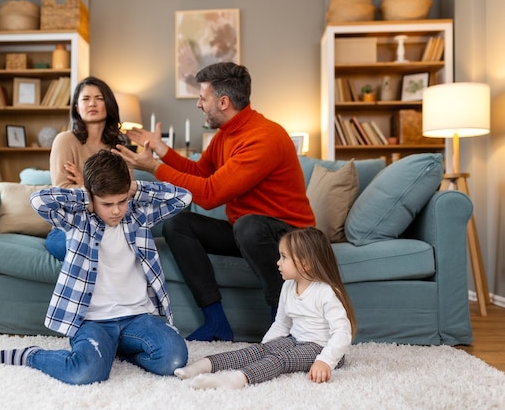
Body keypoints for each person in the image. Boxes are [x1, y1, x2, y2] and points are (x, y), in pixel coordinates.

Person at [114, 62, 315, 342]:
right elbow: (199, 172)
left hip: (292, 236)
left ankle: (283, 326)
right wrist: (161, 151)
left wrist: (154, 168)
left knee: (248, 226)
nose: (198, 104)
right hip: (247, 231)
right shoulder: (225, 135)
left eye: (202, 97)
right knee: (179, 223)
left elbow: (209, 195)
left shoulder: (263, 137)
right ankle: (216, 323)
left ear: (223, 102)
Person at [0, 150, 192, 385]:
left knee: (174, 358)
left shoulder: (137, 216)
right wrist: (85, 197)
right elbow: (39, 200)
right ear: (92, 198)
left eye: (121, 201)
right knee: (84, 373)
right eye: (107, 203)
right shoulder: (78, 221)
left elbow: (183, 197)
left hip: (136, 317)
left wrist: (134, 189)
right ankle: (33, 356)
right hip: (93, 321)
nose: (116, 210)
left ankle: (113, 351)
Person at [174, 227, 356, 389]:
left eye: (284, 257)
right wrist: (264, 348)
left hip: (321, 348)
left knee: (279, 360)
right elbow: (282, 324)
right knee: (256, 351)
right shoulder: (288, 286)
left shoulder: (326, 292)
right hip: (296, 340)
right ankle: (201, 366)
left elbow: (342, 333)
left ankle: (235, 380)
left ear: (305, 263)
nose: (278, 262)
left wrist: (325, 361)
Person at [45, 76, 127, 261]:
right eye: (85, 99)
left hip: (109, 226)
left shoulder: (119, 148)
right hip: (68, 228)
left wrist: (84, 183)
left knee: (124, 249)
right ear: (76, 107)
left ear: (109, 104)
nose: (92, 103)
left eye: (99, 98)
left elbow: (124, 194)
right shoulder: (65, 140)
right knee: (85, 249)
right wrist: (101, 192)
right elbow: (62, 193)